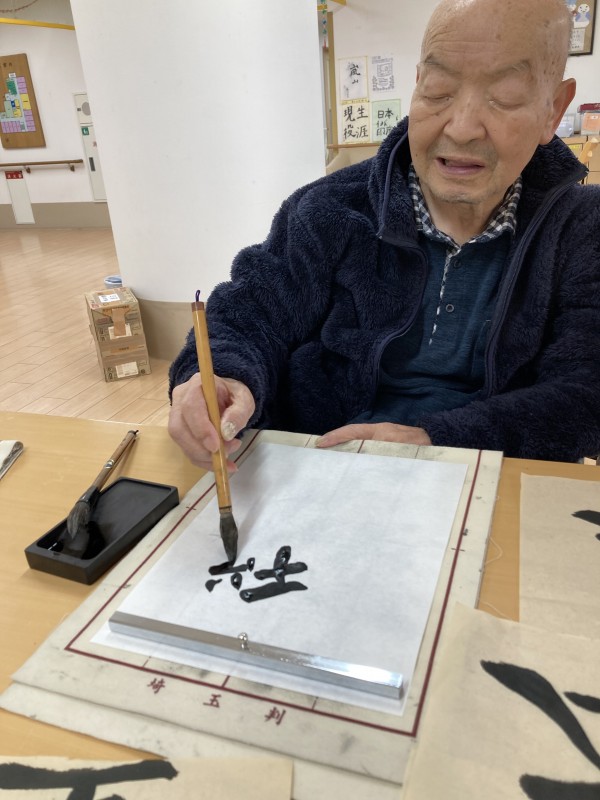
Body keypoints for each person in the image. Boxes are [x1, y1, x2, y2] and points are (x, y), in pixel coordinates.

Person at [168, 0, 600, 470]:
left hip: (489, 471)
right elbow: (251, 312)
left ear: (553, 110)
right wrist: (224, 376)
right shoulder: (329, 209)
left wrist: (440, 440)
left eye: (505, 97)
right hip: (321, 465)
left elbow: (585, 390)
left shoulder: (581, 228)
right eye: (438, 91)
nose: (461, 128)